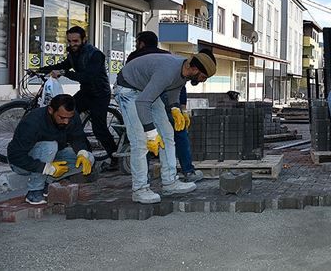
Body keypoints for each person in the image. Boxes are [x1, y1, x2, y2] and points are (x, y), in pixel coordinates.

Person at [114, 49, 217, 203]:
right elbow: (142, 103)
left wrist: (176, 108)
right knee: (140, 141)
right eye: (203, 76)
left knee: (168, 133)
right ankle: (140, 189)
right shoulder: (167, 71)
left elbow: (174, 89)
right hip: (128, 89)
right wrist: (150, 133)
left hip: (145, 90)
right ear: (195, 69)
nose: (203, 80)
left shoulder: (184, 72)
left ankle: (170, 182)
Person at [126, 31, 203, 182]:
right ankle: (187, 171)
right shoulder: (167, 56)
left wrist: (176, 109)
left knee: (144, 139)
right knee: (174, 134)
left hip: (148, 96)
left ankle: (150, 177)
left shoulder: (135, 57)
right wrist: (181, 107)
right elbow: (180, 85)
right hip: (147, 97)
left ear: (141, 43)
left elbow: (178, 84)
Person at [39, 26, 118, 170]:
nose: (72, 44)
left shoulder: (95, 54)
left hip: (100, 94)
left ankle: (114, 158)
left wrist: (64, 72)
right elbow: (63, 65)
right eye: (69, 41)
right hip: (85, 92)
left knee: (99, 128)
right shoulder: (73, 54)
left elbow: (87, 76)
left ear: (84, 39)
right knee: (67, 114)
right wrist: (40, 70)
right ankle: (86, 153)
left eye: (75, 41)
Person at [7, 94, 94, 205]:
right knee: (50, 146)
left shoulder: (71, 116)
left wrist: (82, 153)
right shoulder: (32, 122)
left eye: (69, 118)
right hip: (21, 163)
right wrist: (46, 168)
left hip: (51, 155)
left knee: (89, 158)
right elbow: (15, 156)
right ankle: (34, 192)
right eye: (62, 118)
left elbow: (78, 138)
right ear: (50, 110)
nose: (66, 122)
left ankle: (46, 183)